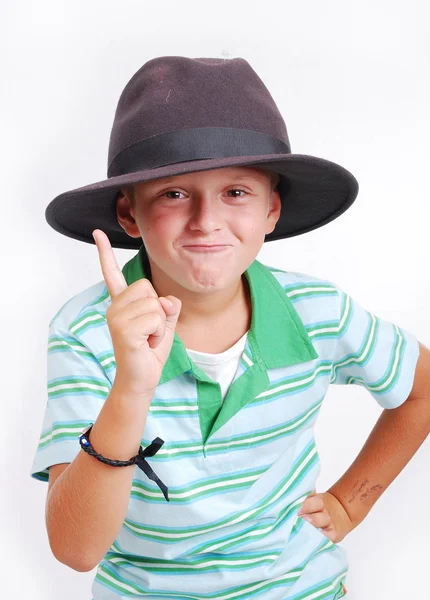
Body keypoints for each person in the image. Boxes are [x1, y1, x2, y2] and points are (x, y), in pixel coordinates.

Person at [30, 56, 430, 600]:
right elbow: (76, 551)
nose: (206, 220)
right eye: (174, 193)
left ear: (271, 209)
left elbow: (421, 387)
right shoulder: (87, 332)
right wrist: (132, 385)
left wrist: (348, 502)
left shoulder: (318, 310)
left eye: (236, 192)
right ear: (129, 214)